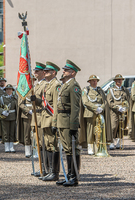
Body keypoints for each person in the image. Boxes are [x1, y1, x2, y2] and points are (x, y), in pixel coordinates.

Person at [55, 59, 81, 187]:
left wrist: (74, 125)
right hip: (62, 120)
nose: (63, 71)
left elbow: (76, 107)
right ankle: (68, 175)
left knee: (72, 150)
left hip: (68, 120)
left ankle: (74, 177)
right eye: (64, 70)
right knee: (67, 150)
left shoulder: (73, 86)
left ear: (73, 73)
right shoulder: (65, 85)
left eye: (66, 70)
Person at [35, 61, 61, 181]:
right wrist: (36, 100)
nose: (44, 72)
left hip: (51, 119)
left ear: (53, 72)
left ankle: (54, 172)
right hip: (45, 119)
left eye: (47, 71)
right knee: (48, 145)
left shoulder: (56, 85)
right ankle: (49, 170)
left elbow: (55, 105)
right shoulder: (48, 85)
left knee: (53, 145)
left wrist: (55, 122)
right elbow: (45, 103)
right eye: (44, 71)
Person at [79, 75, 112, 155]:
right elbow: (85, 102)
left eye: (96, 81)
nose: (95, 82)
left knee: (99, 131)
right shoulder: (86, 90)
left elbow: (105, 101)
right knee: (90, 132)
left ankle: (99, 147)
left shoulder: (100, 90)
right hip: (90, 113)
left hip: (100, 112)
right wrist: (95, 108)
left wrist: (102, 108)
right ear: (89, 82)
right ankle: (90, 148)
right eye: (93, 81)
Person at [30, 62, 47, 178]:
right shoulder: (37, 85)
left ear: (43, 72)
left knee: (43, 144)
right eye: (34, 71)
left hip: (42, 116)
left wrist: (35, 100)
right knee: (38, 144)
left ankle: (45, 169)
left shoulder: (45, 84)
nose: (35, 73)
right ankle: (41, 168)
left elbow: (45, 102)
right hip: (36, 116)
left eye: (37, 71)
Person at [107, 74, 130, 150]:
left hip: (123, 112)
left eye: (121, 80)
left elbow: (128, 100)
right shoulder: (111, 90)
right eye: (118, 80)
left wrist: (126, 108)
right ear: (115, 81)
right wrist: (117, 108)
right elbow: (109, 102)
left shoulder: (125, 90)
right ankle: (111, 142)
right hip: (114, 111)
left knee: (121, 127)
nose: (120, 81)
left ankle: (119, 142)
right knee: (113, 126)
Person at [0, 84, 17, 153]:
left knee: (12, 132)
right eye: (7, 89)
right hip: (5, 117)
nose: (9, 90)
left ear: (12, 90)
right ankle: (6, 147)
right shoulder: (2, 97)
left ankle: (11, 147)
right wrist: (2, 111)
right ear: (5, 90)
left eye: (10, 89)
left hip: (13, 116)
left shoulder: (15, 97)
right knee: (6, 132)